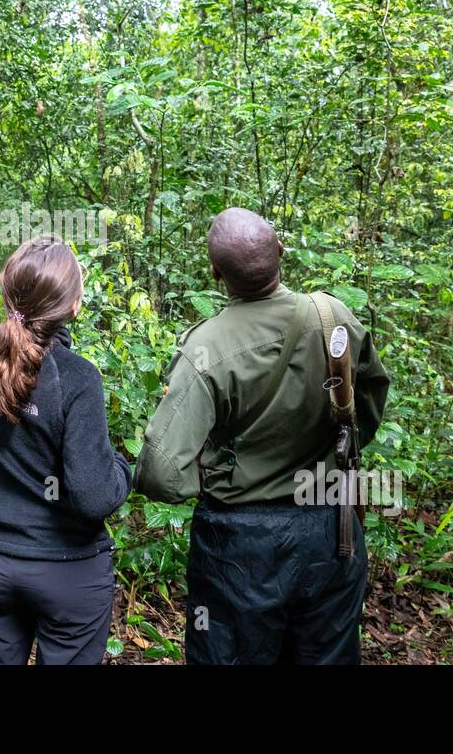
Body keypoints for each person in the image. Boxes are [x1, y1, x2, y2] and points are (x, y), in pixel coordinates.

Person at [135, 207, 390, 665]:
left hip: (239, 544)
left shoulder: (205, 349)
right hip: (331, 529)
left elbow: (160, 472)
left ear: (215, 272)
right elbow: (368, 403)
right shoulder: (334, 318)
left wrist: (214, 475)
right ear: (280, 251)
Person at [0, 235, 131, 665]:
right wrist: (123, 470)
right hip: (66, 570)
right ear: (73, 307)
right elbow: (93, 495)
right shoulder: (78, 379)